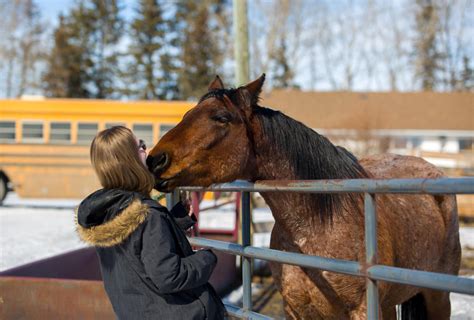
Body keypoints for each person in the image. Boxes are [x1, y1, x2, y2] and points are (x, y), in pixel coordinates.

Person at [75, 126, 226, 320]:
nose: (146, 152)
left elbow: (134, 251)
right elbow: (169, 276)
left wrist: (173, 221)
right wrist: (206, 258)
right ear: (127, 160)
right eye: (140, 147)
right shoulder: (149, 215)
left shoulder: (105, 213)